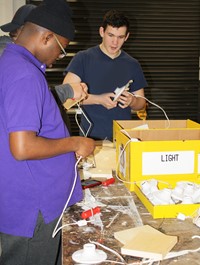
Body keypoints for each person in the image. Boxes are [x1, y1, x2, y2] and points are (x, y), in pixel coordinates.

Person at [0, 1, 95, 265]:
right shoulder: (25, 75)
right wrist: (74, 142)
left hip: (21, 197)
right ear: (46, 37)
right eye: (61, 50)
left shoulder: (10, 62)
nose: (59, 57)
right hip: (34, 206)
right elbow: (23, 147)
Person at [63, 9, 148, 141]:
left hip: (123, 139)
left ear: (127, 37)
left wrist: (132, 101)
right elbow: (66, 97)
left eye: (120, 37)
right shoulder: (83, 59)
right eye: (111, 35)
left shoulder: (133, 64)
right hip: (90, 139)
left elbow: (141, 103)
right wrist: (99, 99)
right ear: (101, 32)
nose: (115, 42)